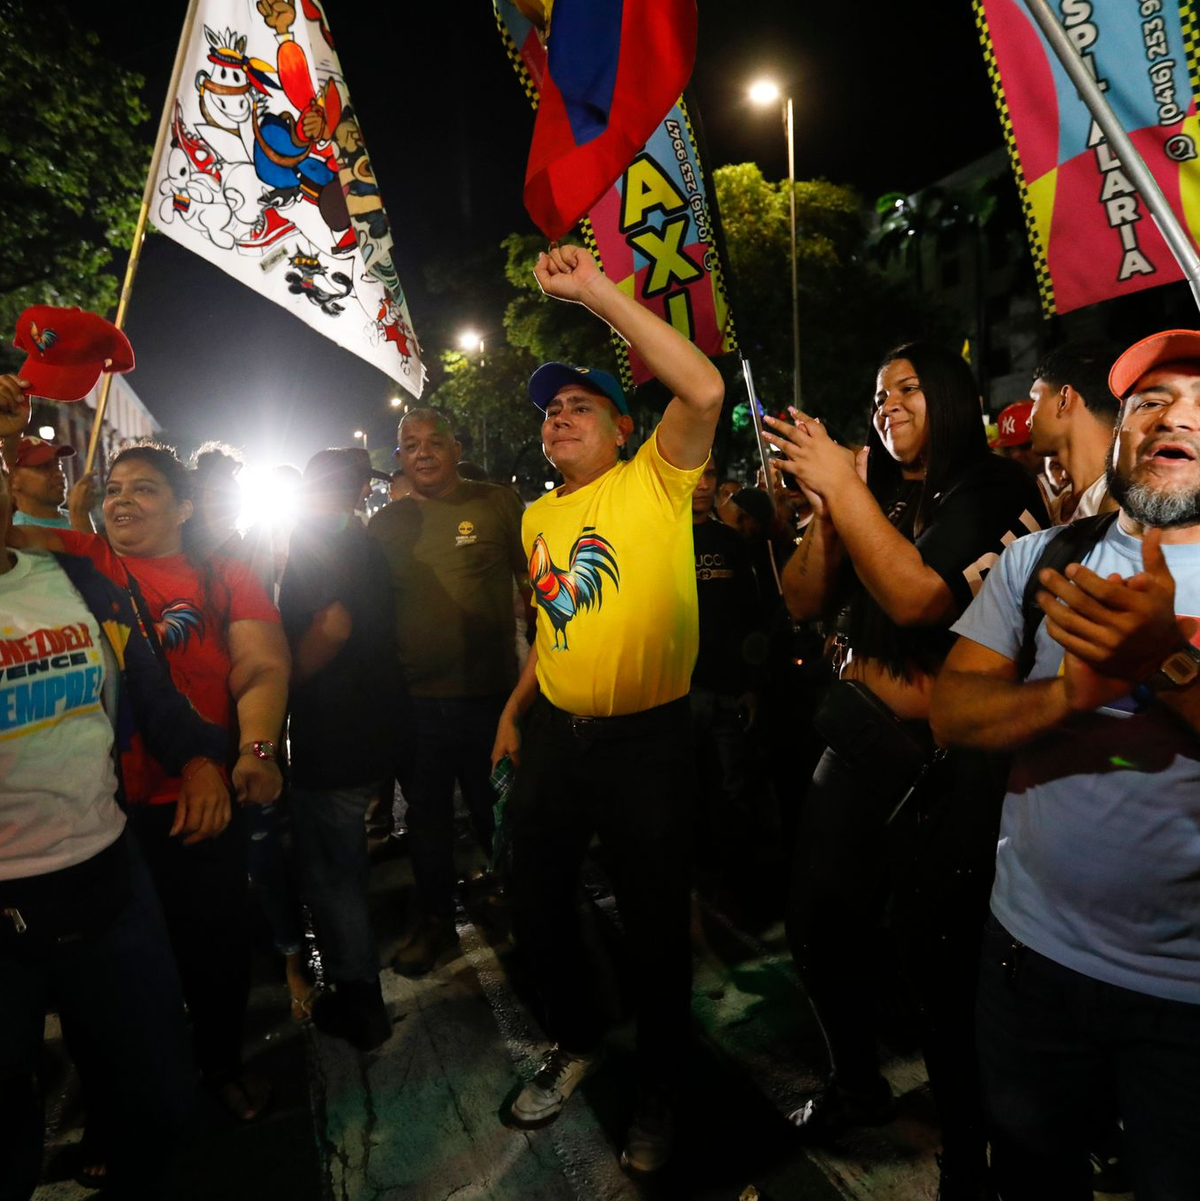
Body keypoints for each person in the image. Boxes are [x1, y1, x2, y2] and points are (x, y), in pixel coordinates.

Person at [765, 344, 1047, 1201]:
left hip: (946, 770)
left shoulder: (991, 489)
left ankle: (969, 1158)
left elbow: (923, 597)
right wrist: (826, 510)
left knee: (943, 972)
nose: (886, 405)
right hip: (855, 748)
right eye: (878, 392)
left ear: (953, 397)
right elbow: (803, 600)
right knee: (815, 922)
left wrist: (846, 492)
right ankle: (858, 1079)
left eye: (908, 388)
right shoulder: (876, 493)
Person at [930, 328, 1200, 1201]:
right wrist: (1064, 698)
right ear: (1116, 429)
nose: (1176, 416)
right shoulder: (1042, 560)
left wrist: (1166, 660)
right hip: (1030, 963)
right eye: (1151, 398)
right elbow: (954, 708)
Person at [491, 243, 723, 1175]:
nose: (559, 417)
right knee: (533, 894)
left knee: (657, 923)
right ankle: (581, 1033)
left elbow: (702, 392)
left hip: (647, 745)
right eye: (551, 409)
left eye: (580, 405)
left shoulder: (655, 481)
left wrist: (595, 293)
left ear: (626, 429)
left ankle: (661, 1089)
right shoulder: (536, 517)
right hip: (556, 735)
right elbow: (553, 627)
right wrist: (517, 710)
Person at [3, 424, 289, 1124]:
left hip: (202, 799)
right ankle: (111, 1105)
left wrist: (253, 749)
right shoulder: (78, 565)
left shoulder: (224, 573)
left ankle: (219, 1065)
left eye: (145, 488)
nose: (123, 498)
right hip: (105, 816)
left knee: (214, 948)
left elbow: (261, 664)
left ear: (185, 507)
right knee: (104, 982)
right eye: (116, 487)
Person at [0, 377, 230, 1199]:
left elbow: (147, 687)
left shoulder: (78, 582)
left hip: (106, 876)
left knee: (161, 1092)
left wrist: (202, 755)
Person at [368, 409, 530, 975]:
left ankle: (523, 908)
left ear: (457, 448)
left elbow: (534, 587)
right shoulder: (384, 525)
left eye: (434, 441)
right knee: (427, 821)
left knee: (500, 814)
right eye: (410, 445)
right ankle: (435, 920)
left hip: (492, 700)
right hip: (415, 705)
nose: (424, 452)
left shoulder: (497, 503)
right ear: (399, 459)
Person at [279, 448, 401, 1050]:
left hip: (332, 733)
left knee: (333, 876)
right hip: (373, 724)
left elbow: (333, 625)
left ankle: (359, 1000)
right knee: (345, 867)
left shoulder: (313, 539)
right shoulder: (363, 541)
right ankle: (360, 990)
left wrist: (284, 686)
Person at [689, 458, 765, 899]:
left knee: (735, 789)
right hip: (678, 690)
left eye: (710, 475)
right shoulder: (658, 539)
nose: (701, 485)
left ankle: (737, 884)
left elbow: (748, 616)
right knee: (688, 790)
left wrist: (752, 685)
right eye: (694, 474)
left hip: (728, 690)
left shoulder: (731, 542)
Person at [1028, 341, 1123, 522]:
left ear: (1064, 400)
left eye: (1035, 399)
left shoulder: (1131, 506)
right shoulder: (1057, 508)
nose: (1028, 419)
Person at [10, 435, 94, 532]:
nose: (59, 474)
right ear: (13, 480)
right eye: (44, 467)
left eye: (59, 466)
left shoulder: (73, 518)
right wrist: (81, 515)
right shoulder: (17, 533)